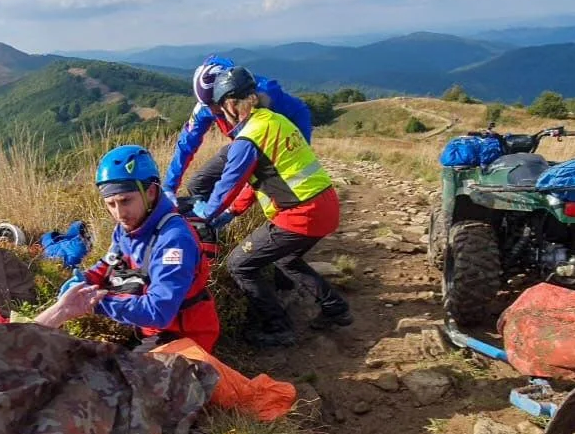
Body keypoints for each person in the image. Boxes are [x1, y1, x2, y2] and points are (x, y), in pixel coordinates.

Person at [188, 66, 352, 348]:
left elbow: (228, 184)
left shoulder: (248, 139)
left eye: (220, 109)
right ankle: (335, 308)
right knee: (286, 259)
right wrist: (231, 213)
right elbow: (260, 180)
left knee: (239, 264)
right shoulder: (273, 121)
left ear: (230, 104)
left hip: (301, 215)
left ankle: (278, 327)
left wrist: (207, 214)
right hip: (325, 206)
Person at [37, 145, 220, 351]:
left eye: (125, 201)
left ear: (150, 192)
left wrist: (92, 303)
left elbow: (159, 311)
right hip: (151, 330)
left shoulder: (174, 240)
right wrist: (86, 280)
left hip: (185, 336)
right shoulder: (129, 226)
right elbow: (110, 262)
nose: (119, 213)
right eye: (111, 204)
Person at [163, 55, 314, 204]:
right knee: (198, 185)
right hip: (244, 143)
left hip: (273, 144)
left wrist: (300, 147)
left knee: (267, 188)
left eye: (214, 105)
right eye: (207, 106)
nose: (212, 110)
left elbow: (299, 112)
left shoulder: (264, 94)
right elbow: (186, 144)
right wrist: (169, 187)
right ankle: (206, 224)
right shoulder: (205, 106)